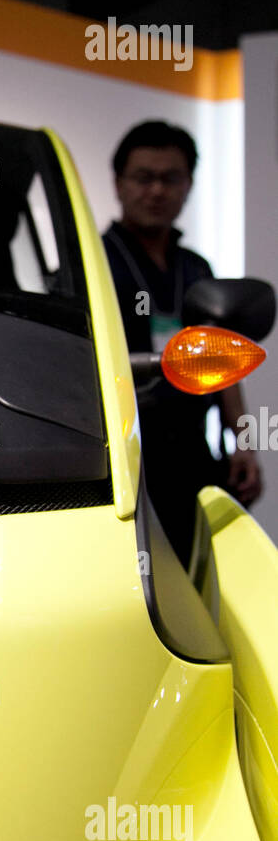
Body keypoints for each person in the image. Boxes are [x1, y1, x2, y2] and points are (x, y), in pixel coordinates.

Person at [102, 120, 261, 567]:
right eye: (143, 177)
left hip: (193, 449)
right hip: (129, 454)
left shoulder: (196, 267)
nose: (157, 190)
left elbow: (222, 357)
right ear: (118, 183)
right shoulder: (95, 263)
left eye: (170, 178)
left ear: (188, 185)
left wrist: (244, 441)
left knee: (207, 570)